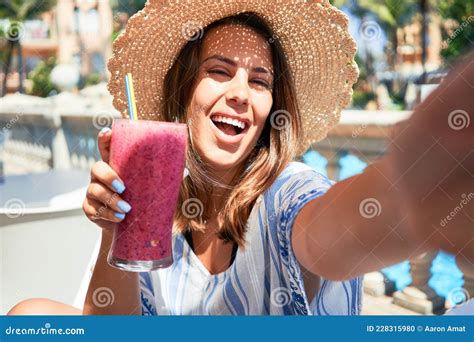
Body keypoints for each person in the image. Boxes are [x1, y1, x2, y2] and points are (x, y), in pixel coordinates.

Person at [8, 1, 472, 316]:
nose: (239, 96)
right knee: (30, 317)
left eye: (259, 81)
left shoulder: (287, 193)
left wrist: (419, 188)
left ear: (273, 108)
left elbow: (339, 230)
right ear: (183, 90)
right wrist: (117, 231)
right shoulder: (156, 209)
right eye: (218, 72)